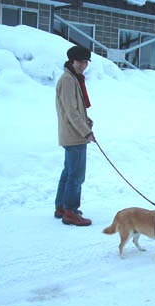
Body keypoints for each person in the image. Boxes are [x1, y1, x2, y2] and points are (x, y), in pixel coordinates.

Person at [54, 45, 95, 226]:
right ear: (72, 61)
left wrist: (87, 120)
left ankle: (62, 207)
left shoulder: (73, 78)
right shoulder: (68, 80)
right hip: (75, 135)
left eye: (86, 62)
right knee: (76, 175)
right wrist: (86, 131)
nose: (83, 65)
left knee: (69, 172)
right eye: (80, 62)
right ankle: (70, 211)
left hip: (72, 132)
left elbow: (75, 109)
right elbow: (71, 111)